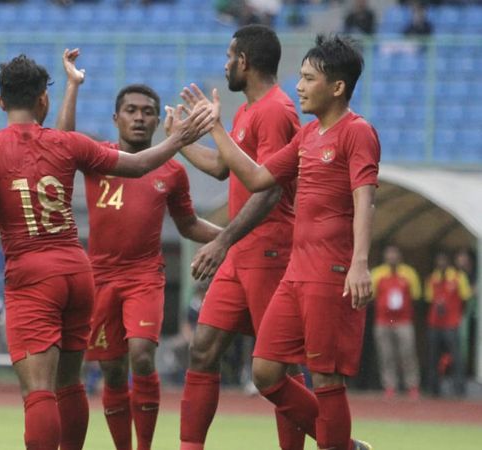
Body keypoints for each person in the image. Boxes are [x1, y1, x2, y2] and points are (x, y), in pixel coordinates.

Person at [0, 54, 216, 450]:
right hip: (80, 272)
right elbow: (135, 165)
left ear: (0, 102)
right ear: (42, 102)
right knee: (69, 382)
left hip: (32, 273)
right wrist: (177, 140)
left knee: (38, 390)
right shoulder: (68, 144)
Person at [181, 34, 379, 450]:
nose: (300, 86)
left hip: (331, 271)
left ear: (337, 87)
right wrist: (213, 127)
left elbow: (366, 201)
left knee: (325, 377)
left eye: (308, 79)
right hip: (295, 272)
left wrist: (360, 262)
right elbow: (255, 177)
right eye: (301, 77)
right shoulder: (307, 136)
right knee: (266, 371)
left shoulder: (357, 133)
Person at [56, 49, 222, 450]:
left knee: (142, 356)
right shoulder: (101, 158)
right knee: (112, 371)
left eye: (147, 111)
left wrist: (232, 235)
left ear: (155, 119)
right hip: (99, 278)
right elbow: (62, 141)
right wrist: (73, 86)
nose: (140, 117)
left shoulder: (172, 170)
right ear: (116, 119)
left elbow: (187, 225)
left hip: (145, 277)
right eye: (130, 110)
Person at [171, 25, 303, 450]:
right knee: (203, 348)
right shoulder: (247, 111)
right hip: (241, 252)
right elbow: (224, 167)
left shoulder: (277, 111)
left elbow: (270, 191)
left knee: (276, 367)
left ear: (244, 61)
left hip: (270, 249)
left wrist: (222, 240)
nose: (225, 63)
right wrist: (178, 140)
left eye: (230, 56)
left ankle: (331, 437)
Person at [370, 244, 422, 400]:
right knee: (386, 355)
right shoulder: (377, 273)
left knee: (408, 354)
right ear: (385, 257)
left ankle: (412, 385)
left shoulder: (409, 273)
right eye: (389, 254)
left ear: (399, 256)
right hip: (383, 321)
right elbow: (371, 296)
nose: (392, 257)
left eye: (394, 254)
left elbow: (416, 296)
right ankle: (390, 386)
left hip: (404, 321)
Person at [424, 250, 472, 396]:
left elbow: (465, 299)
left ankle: (459, 388)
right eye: (439, 261)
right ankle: (433, 389)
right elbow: (428, 300)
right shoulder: (432, 279)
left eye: (444, 261)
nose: (441, 264)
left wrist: (457, 316)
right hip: (434, 324)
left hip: (451, 324)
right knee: (433, 357)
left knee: (456, 357)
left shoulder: (458, 277)